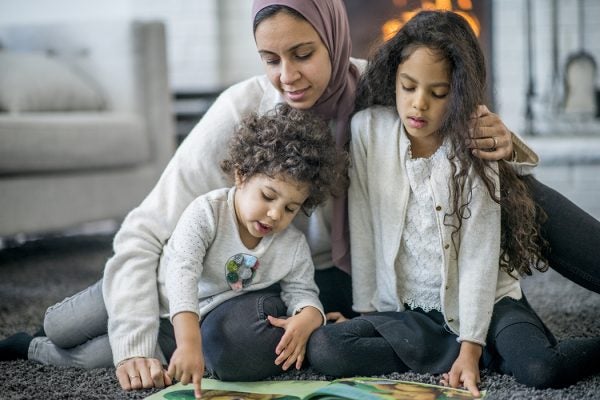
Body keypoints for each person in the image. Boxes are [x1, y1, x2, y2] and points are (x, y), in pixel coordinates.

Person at [1, 0, 598, 393]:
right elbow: (147, 233)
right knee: (112, 325)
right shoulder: (242, 109)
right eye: (271, 59)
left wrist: (506, 140)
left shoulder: (385, 92)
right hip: (227, 259)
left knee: (517, 186)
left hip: (313, 273)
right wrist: (135, 334)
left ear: (335, 38)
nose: (287, 74)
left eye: (304, 53)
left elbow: (450, 123)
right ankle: (39, 341)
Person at [306, 10, 600, 397]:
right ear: (393, 77)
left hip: (488, 305)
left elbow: (480, 255)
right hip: (413, 315)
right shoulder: (368, 131)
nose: (419, 105)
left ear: (458, 92)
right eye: (408, 86)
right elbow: (365, 224)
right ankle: (482, 355)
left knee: (541, 368)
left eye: (438, 93)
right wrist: (369, 314)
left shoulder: (474, 144)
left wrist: (471, 343)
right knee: (327, 348)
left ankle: (482, 350)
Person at [0, 104, 344, 399]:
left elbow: (302, 290)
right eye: (268, 197)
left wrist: (309, 315)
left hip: (171, 332)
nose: (275, 214)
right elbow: (182, 273)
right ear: (241, 176)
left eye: (290, 208)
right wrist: (190, 343)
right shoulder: (207, 212)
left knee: (91, 359)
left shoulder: (292, 246)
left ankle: (28, 347)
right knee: (59, 326)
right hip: (145, 294)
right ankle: (45, 332)